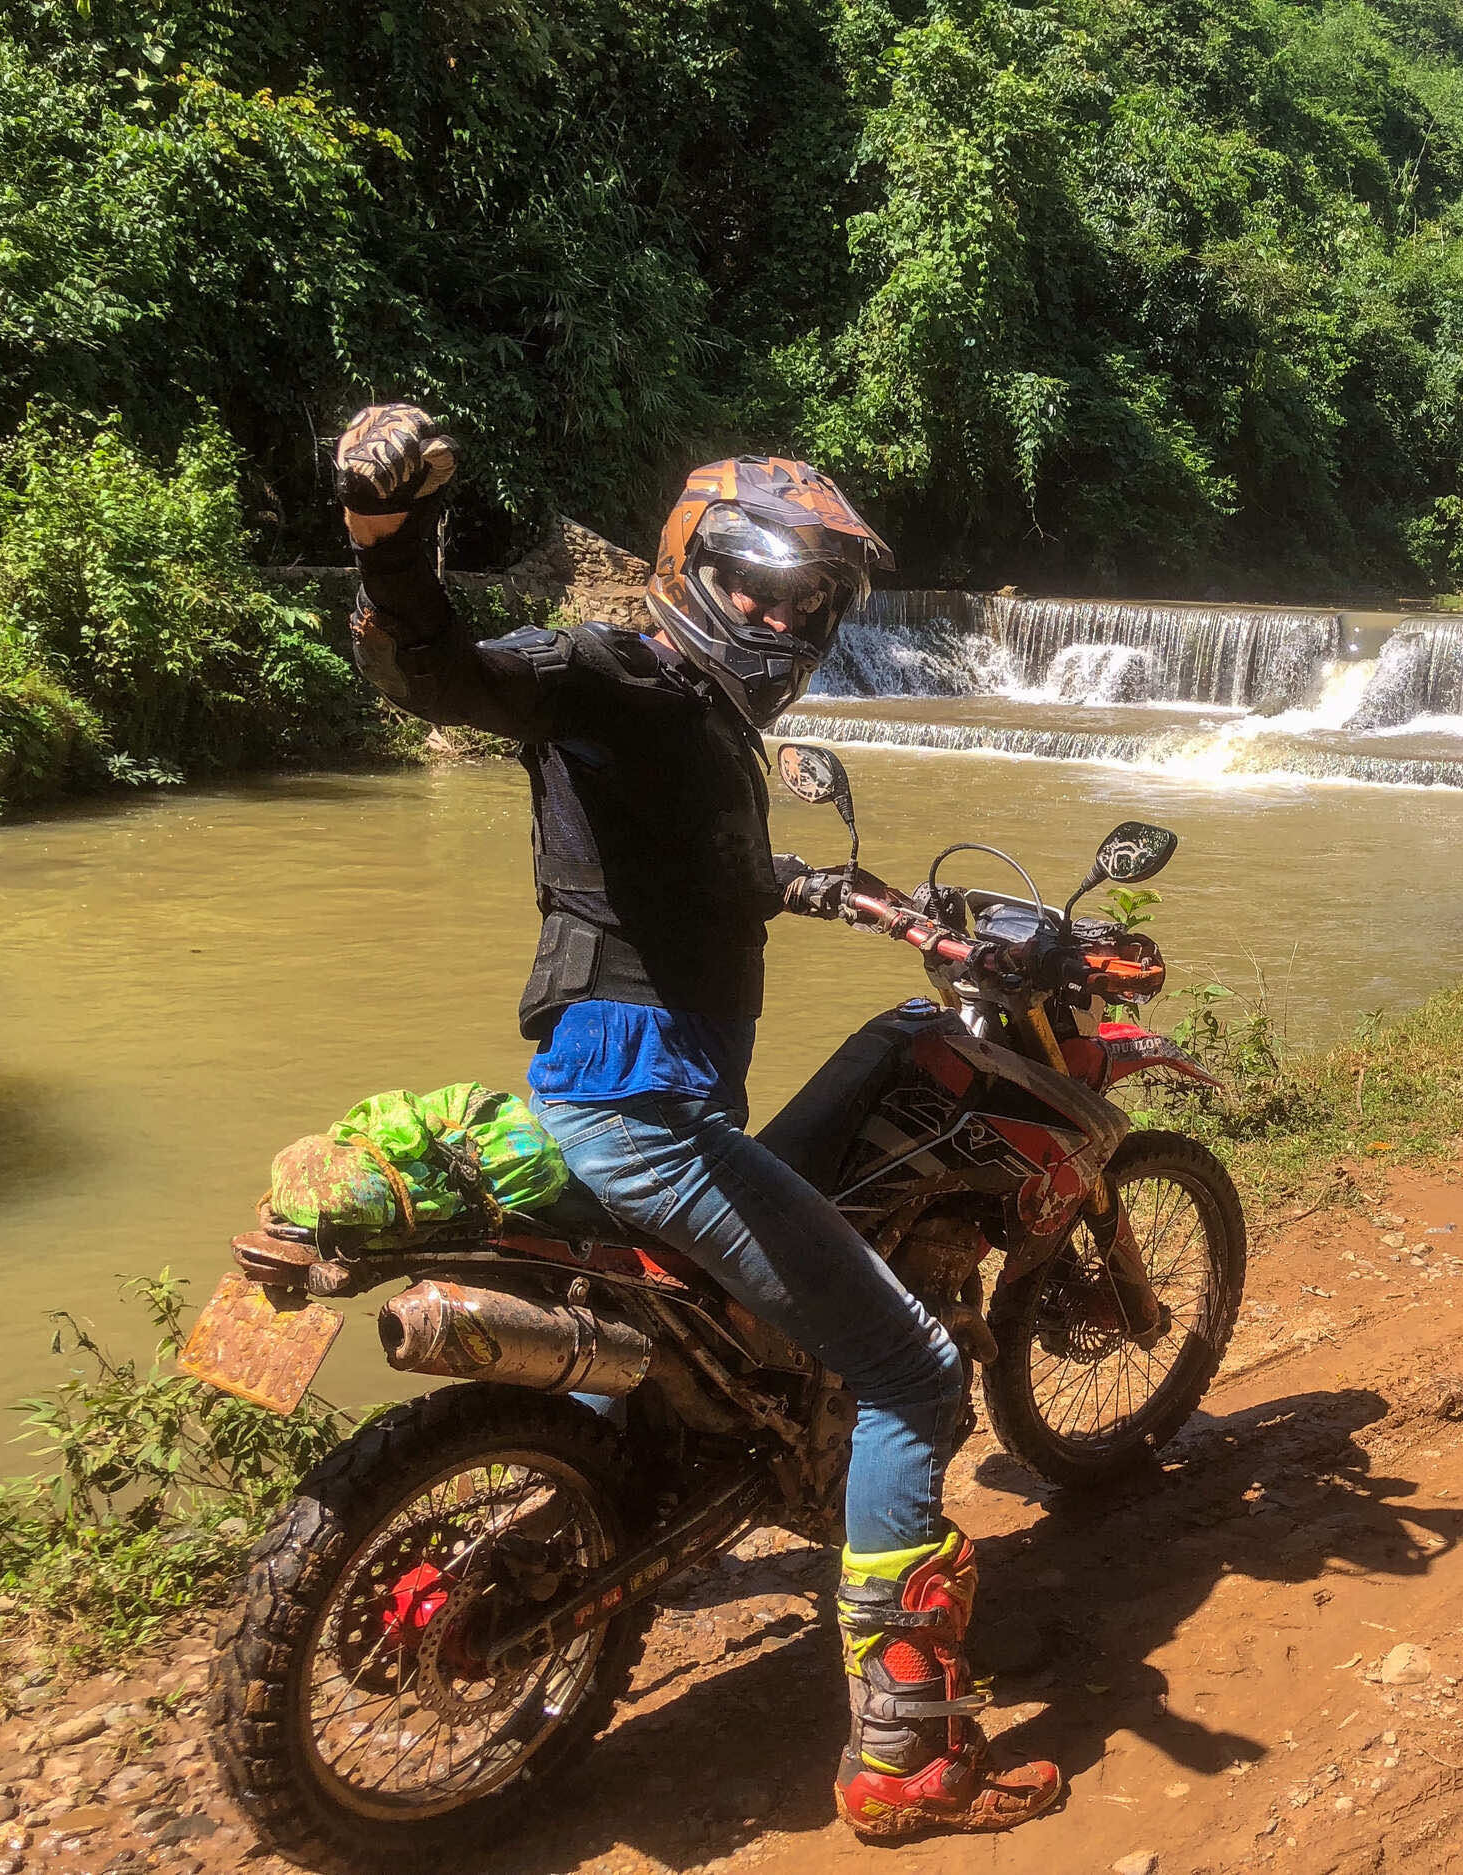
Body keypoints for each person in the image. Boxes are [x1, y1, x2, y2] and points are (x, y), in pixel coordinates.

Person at [333, 403, 1064, 1840]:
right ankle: (909, 1755)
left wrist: (848, 894)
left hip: (623, 1098)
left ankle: (613, 1517)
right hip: (642, 1116)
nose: (782, 614)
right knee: (914, 1374)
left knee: (704, 1335)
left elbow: (708, 869)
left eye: (810, 598)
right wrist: (389, 534)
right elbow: (447, 674)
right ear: (692, 565)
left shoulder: (701, 717)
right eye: (759, 582)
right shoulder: (611, 670)